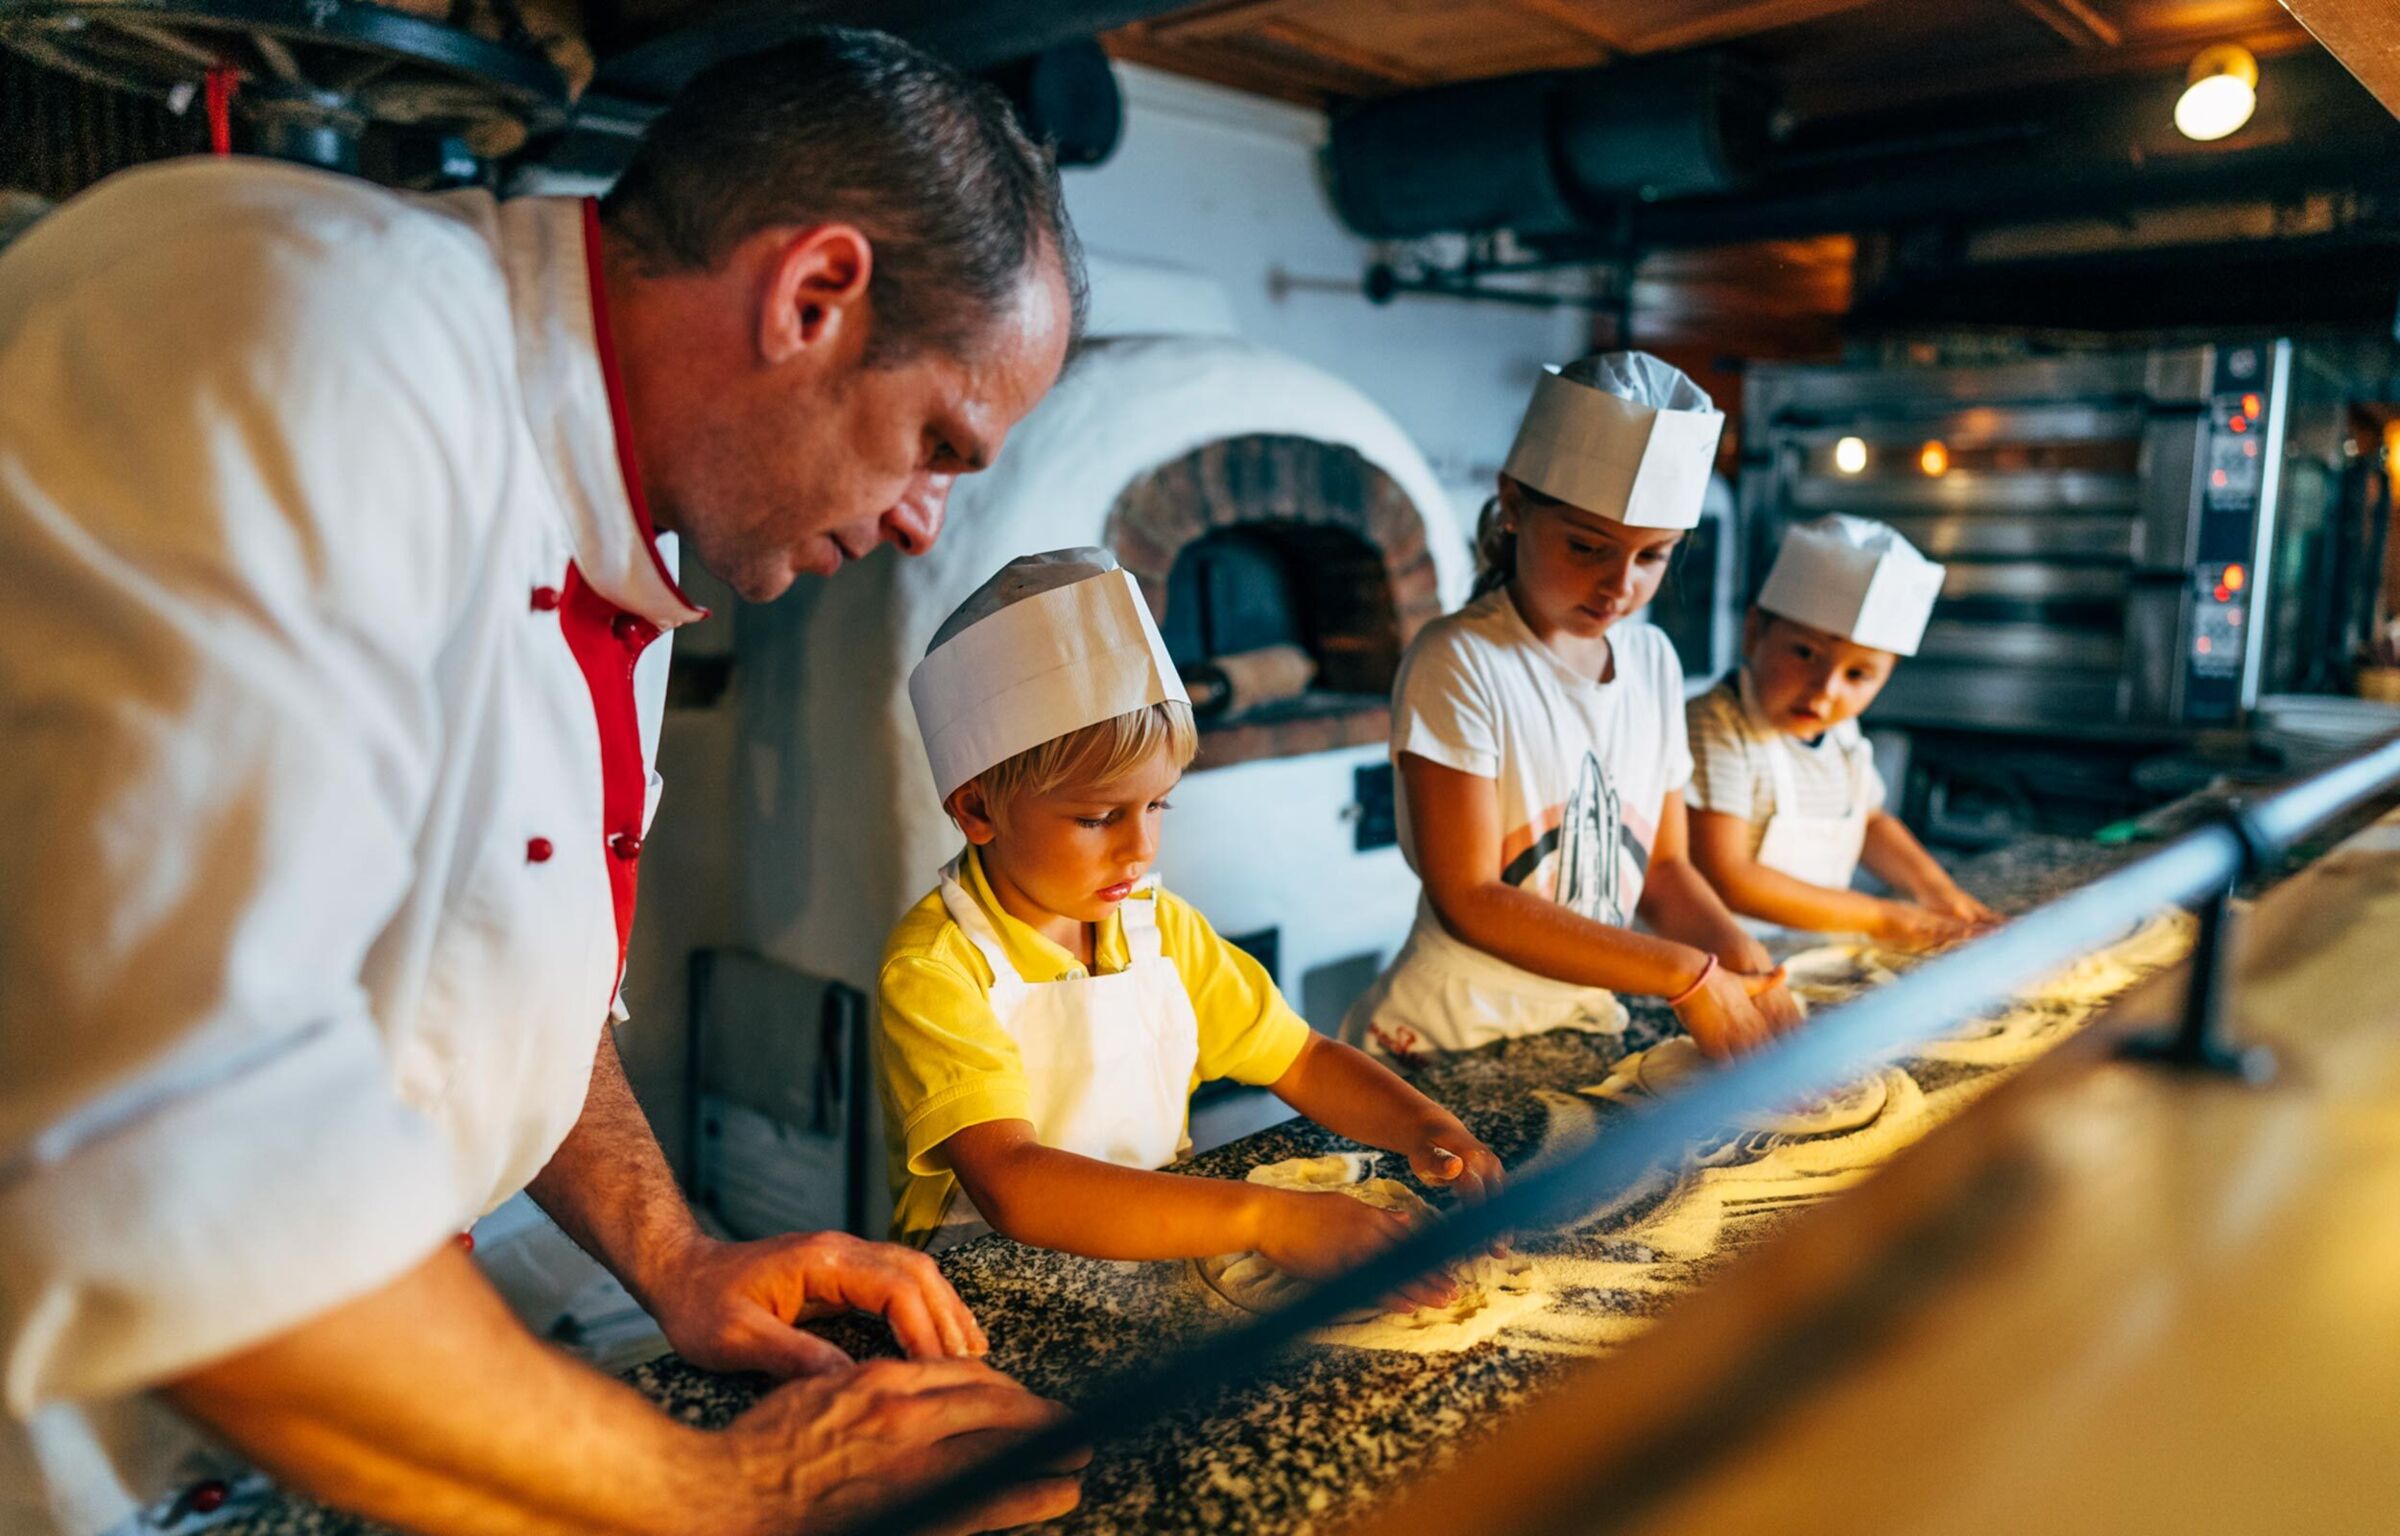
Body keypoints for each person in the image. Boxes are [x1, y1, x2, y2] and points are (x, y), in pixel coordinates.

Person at [1, 28, 1087, 1536]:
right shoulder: (317, 337)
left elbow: (492, 973)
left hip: (260, 1455)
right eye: (938, 444)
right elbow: (176, 1135)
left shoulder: (615, 537)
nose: (923, 522)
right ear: (813, 296)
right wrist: (724, 1491)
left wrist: (678, 1258)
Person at [877, 550, 1502, 1299]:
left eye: (1157, 806)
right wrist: (1271, 1218)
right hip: (985, 1302)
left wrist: (1428, 1126)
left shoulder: (1159, 931)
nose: (1139, 848)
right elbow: (1015, 1184)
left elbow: (1301, 1060)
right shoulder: (938, 969)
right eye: (1099, 816)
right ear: (978, 809)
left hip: (1152, 1269)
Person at [1344, 353, 1803, 1065]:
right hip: (1448, 1034)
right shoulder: (1460, 660)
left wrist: (1739, 954)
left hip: (1584, 1019)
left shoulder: (1652, 664)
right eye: (1589, 546)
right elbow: (1470, 895)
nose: (1619, 585)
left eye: (1653, 557)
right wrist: (1684, 974)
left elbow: (1663, 869)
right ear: (1515, 506)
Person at [1686, 514, 2001, 947]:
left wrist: (1938, 892)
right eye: (1804, 653)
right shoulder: (1718, 724)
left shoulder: (1841, 734)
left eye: (1857, 675)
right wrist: (1882, 917)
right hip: (1716, 960)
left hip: (1802, 950)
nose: (1824, 692)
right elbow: (1728, 876)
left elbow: (1869, 822)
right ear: (1754, 632)